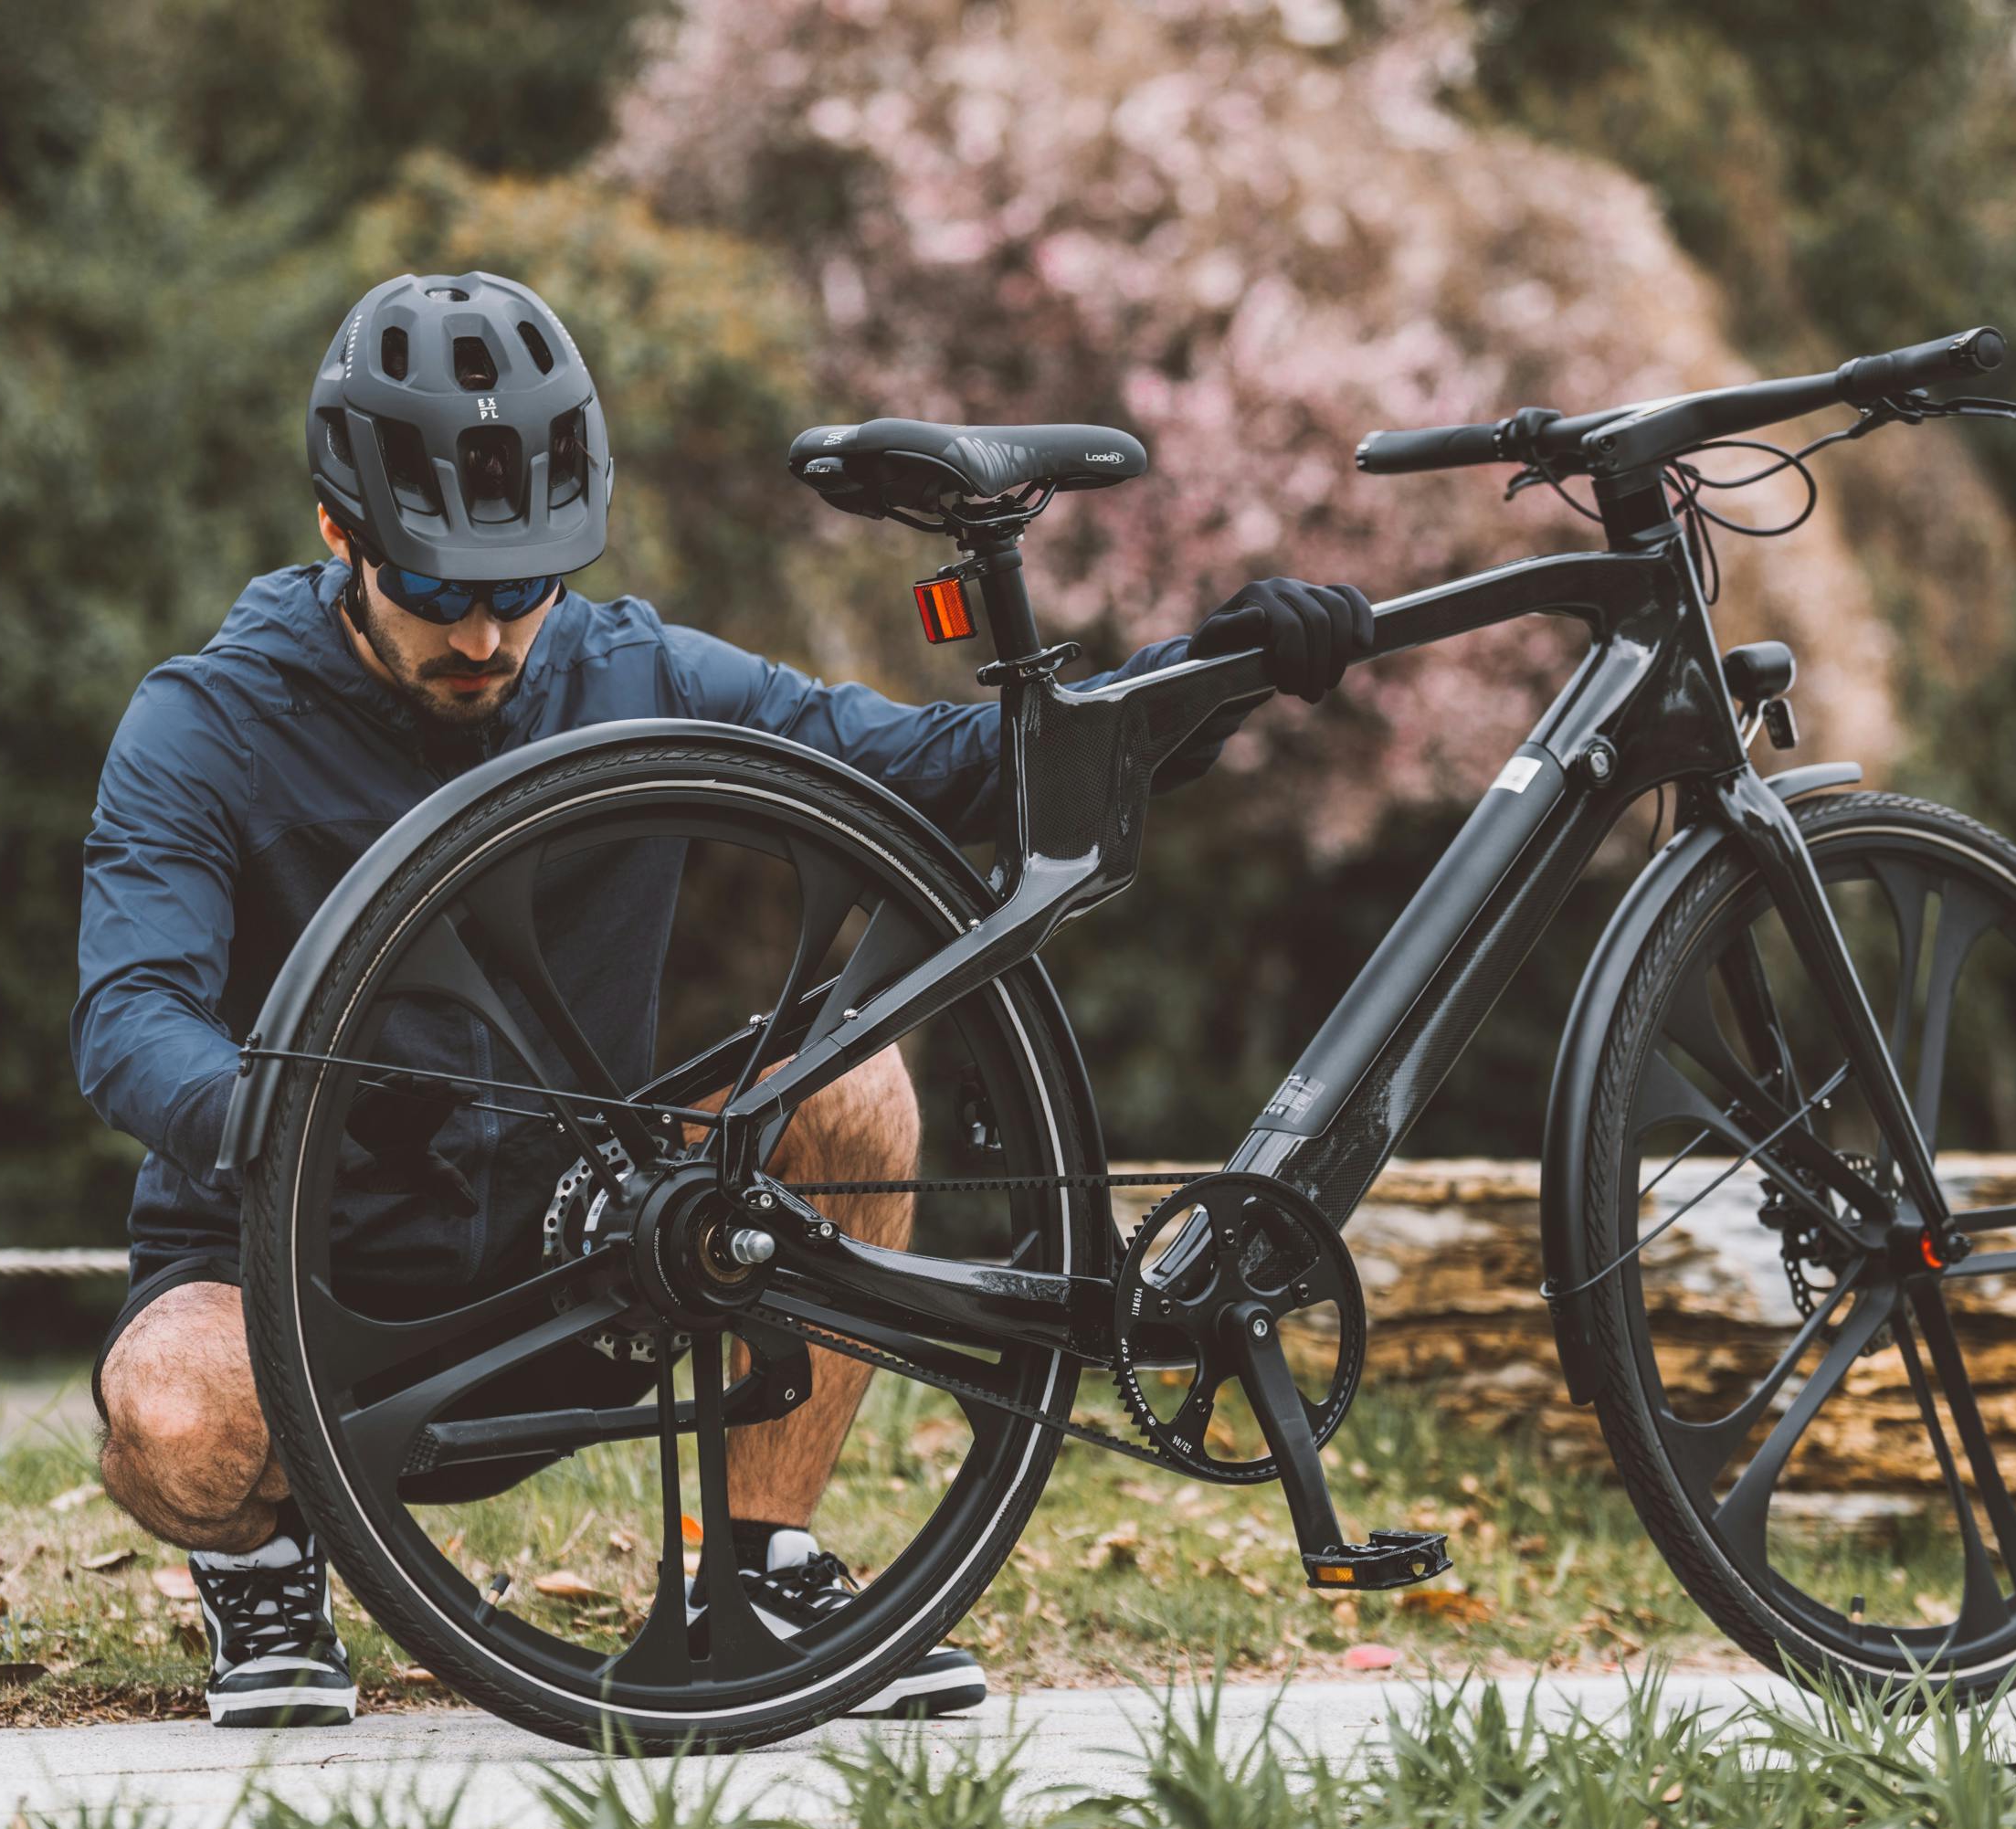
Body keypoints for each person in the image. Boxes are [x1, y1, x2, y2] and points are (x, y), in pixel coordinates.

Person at [71, 271, 1372, 1729]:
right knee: (180, 1425)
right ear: (338, 533)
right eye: (440, 592)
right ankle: (269, 1565)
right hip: (299, 1285)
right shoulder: (206, 721)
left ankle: (754, 1564)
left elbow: (939, 770)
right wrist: (294, 1103)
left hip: (577, 1259)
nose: (490, 639)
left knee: (852, 1084)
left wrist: (1211, 676)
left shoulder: (629, 670)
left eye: (523, 590)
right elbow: (130, 1020)